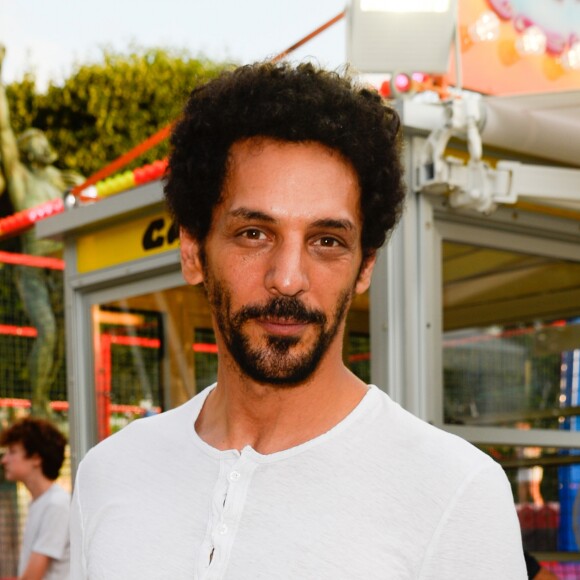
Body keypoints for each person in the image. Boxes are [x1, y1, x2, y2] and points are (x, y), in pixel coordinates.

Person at [70, 61, 527, 579]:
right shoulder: (110, 473)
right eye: (254, 234)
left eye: (327, 241)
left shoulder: (456, 493)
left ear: (364, 268)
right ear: (193, 251)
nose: (287, 279)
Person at [0, 45, 82, 418]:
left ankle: (62, 398)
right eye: (32, 138)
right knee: (47, 332)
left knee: (69, 336)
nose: (39, 141)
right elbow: (3, 129)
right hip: (32, 265)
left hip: (62, 263)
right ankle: (38, 403)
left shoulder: (56, 180)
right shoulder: (20, 180)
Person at [0, 417, 70, 580]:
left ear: (36, 458)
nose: (4, 460)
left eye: (12, 452)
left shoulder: (56, 505)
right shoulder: (41, 502)